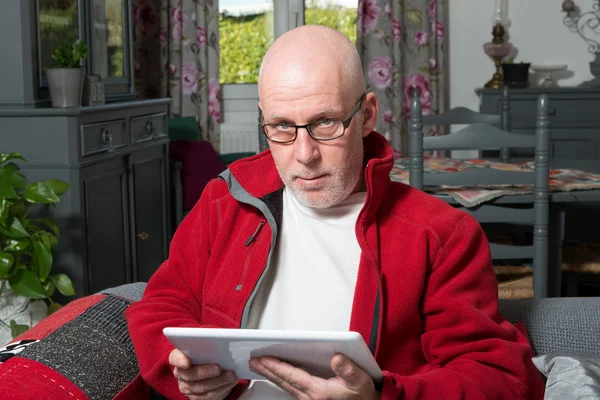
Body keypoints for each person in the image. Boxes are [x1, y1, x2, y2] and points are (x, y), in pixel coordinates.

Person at [126, 25, 545, 400]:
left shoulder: (442, 235)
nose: (304, 155)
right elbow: (162, 303)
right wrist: (180, 367)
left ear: (365, 115)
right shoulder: (225, 200)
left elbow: (498, 378)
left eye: (325, 123)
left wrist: (380, 395)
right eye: (282, 127)